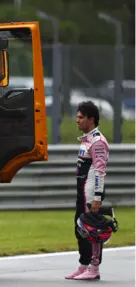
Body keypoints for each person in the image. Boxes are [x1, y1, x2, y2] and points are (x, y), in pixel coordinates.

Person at [65, 101, 109, 281]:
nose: (77, 121)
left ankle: (94, 267)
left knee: (92, 229)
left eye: (81, 118)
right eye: (77, 117)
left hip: (90, 191)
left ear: (91, 120)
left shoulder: (98, 142)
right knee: (80, 227)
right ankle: (84, 265)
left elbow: (99, 171)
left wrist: (97, 197)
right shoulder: (87, 139)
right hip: (82, 190)